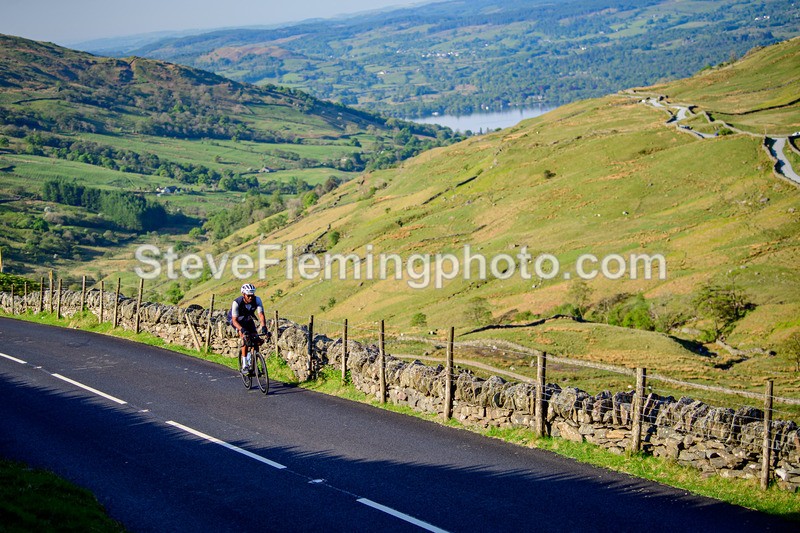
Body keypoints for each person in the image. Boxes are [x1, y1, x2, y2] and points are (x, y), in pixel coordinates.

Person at [231, 283, 268, 373]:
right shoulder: (237, 302)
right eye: (248, 296)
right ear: (243, 294)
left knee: (255, 339)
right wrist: (242, 330)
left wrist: (264, 326)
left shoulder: (257, 300)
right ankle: (244, 365)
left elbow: (261, 314)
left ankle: (253, 362)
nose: (251, 297)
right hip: (237, 321)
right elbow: (234, 321)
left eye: (252, 295)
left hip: (248, 319)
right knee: (245, 339)